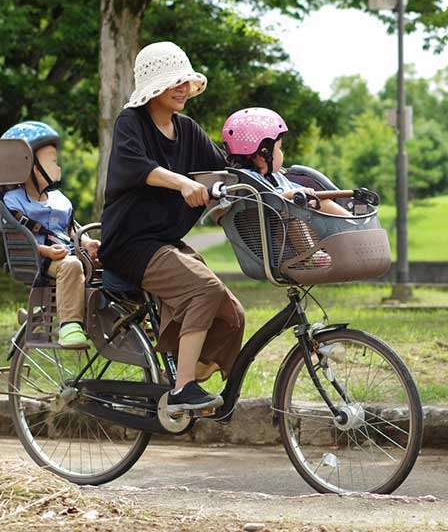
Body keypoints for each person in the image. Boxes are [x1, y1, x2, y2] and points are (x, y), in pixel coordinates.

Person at [99, 41, 244, 413]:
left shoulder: (188, 130)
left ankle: (187, 374)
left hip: (164, 243)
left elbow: (223, 170)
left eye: (185, 81)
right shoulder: (131, 122)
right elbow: (136, 166)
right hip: (130, 244)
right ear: (154, 86)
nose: (183, 87)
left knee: (232, 314)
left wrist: (268, 177)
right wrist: (182, 183)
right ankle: (183, 389)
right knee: (204, 289)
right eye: (174, 81)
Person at [0, 121, 100, 349]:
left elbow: (70, 228)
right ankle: (69, 325)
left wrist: (86, 242)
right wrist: (45, 251)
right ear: (33, 167)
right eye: (53, 162)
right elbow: (18, 235)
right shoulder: (14, 201)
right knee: (71, 265)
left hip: (67, 252)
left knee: (113, 257)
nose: (59, 167)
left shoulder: (59, 199)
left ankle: (130, 317)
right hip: (42, 260)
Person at [221, 107, 350, 217]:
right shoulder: (249, 181)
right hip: (282, 229)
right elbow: (267, 201)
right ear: (263, 153)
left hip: (291, 227)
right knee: (315, 206)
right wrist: (291, 194)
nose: (281, 153)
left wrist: (304, 192)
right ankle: (355, 227)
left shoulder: (274, 177)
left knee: (320, 203)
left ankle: (354, 225)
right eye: (279, 148)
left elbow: (296, 190)